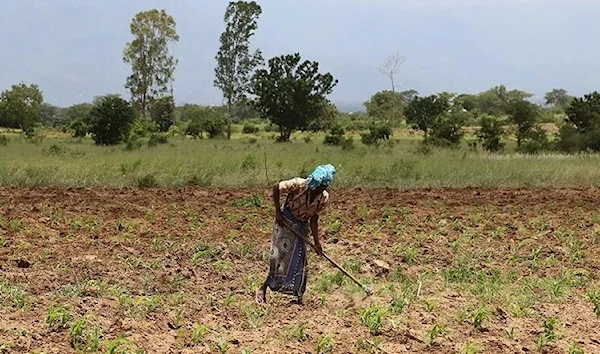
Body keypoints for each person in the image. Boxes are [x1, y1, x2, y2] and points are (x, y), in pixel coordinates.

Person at [255, 164, 336, 305]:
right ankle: (263, 288)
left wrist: (317, 243)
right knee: (279, 257)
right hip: (285, 221)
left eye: (318, 187)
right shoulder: (299, 184)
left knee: (300, 260)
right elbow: (276, 187)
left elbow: (314, 219)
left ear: (323, 186)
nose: (314, 189)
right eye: (314, 186)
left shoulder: (323, 198)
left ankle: (299, 296)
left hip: (302, 227)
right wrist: (277, 212)